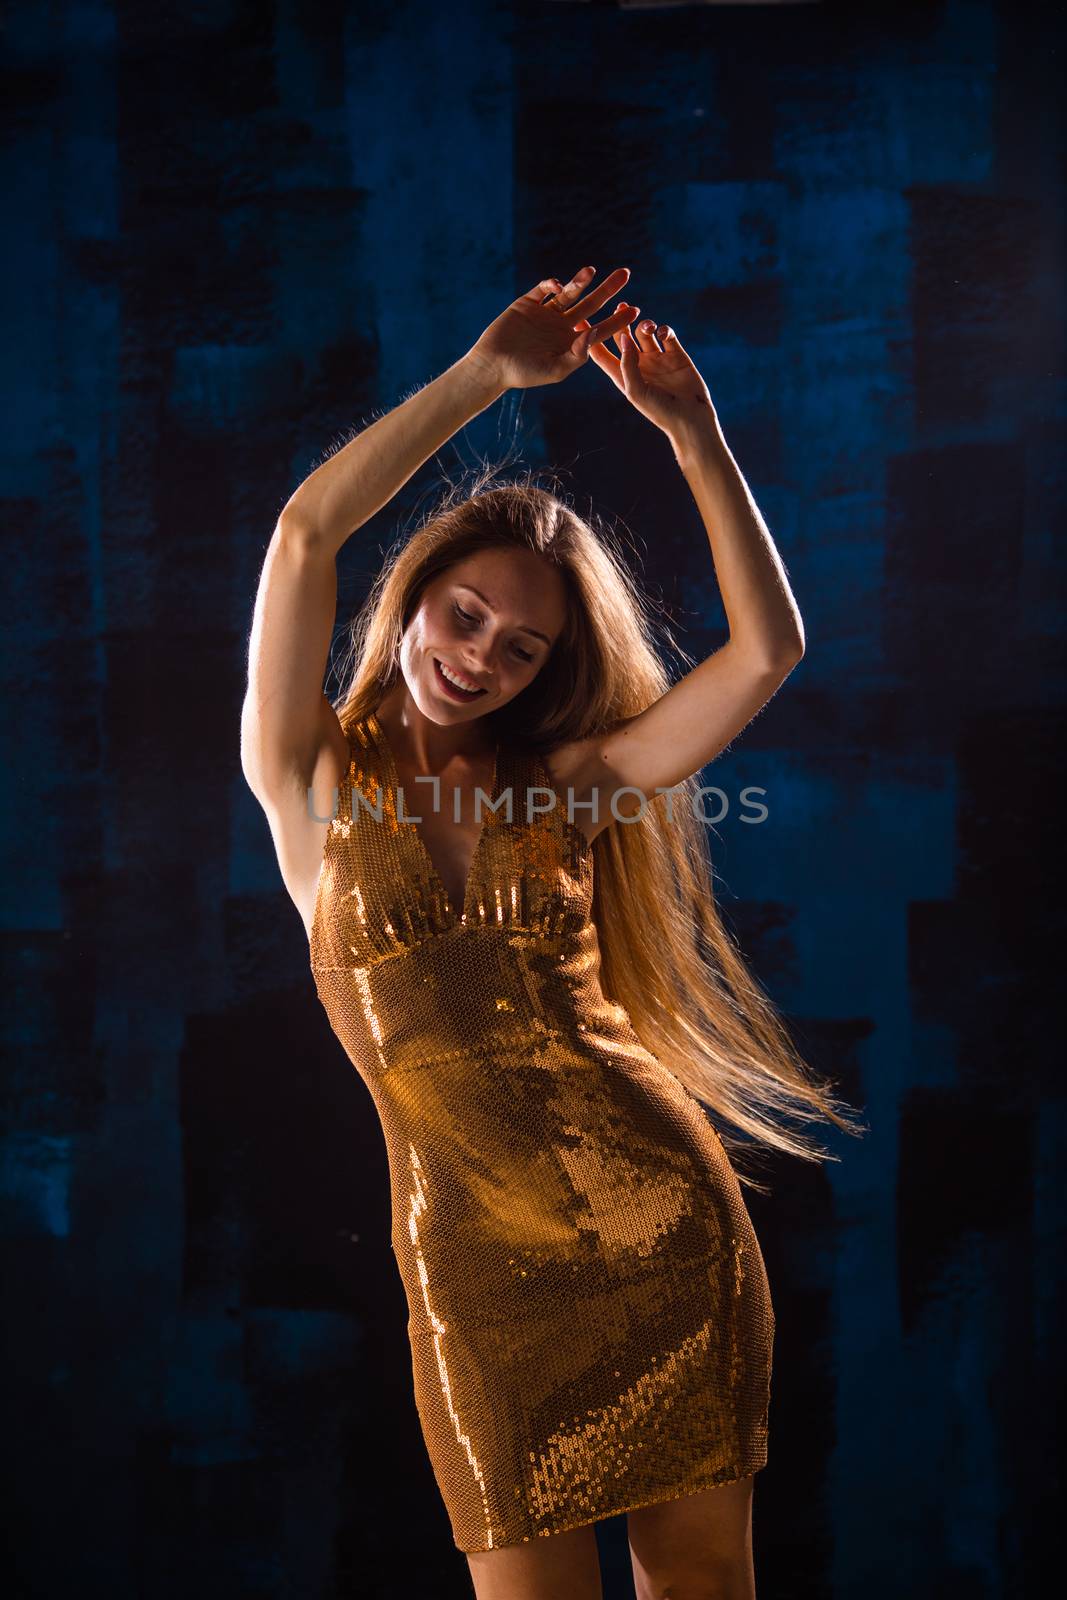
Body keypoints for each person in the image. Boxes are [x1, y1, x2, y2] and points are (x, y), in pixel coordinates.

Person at [241, 266, 863, 1600]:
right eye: (465, 614)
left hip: (659, 1224)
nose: (479, 654)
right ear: (416, 595)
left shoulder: (566, 786)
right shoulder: (311, 783)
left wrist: (693, 432)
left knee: (703, 1585)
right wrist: (482, 374)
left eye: (522, 648)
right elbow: (303, 535)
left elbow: (766, 653)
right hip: (475, 1274)